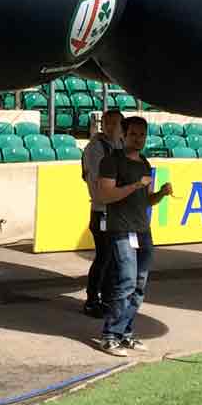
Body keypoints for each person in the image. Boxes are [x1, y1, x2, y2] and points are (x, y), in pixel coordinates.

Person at [93, 115, 171, 354]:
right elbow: (105, 196)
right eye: (134, 134)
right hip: (121, 229)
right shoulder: (111, 161)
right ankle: (109, 334)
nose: (139, 139)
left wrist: (161, 193)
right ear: (123, 135)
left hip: (142, 230)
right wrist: (134, 186)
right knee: (125, 282)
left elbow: (147, 200)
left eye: (142, 135)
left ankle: (126, 332)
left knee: (139, 284)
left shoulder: (145, 163)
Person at [79, 109, 124, 317]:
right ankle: (92, 299)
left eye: (117, 123)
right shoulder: (95, 148)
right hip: (102, 210)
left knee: (114, 257)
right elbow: (101, 180)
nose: (113, 127)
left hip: (117, 210)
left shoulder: (120, 146)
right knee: (104, 256)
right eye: (109, 123)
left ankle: (107, 297)